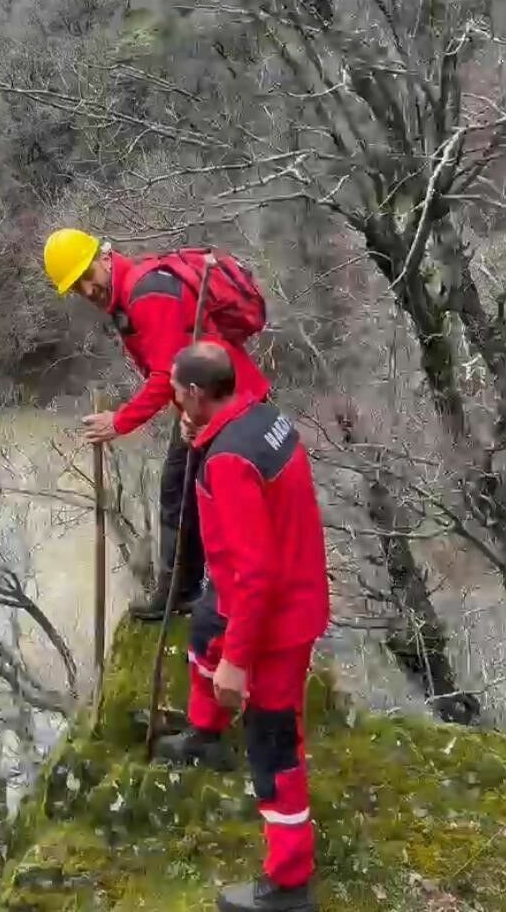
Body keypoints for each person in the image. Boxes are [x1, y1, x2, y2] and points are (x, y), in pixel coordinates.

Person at [156, 342, 329, 912]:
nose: (173, 398)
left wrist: (238, 659)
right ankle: (206, 734)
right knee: (202, 631)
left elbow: (257, 574)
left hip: (273, 619)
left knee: (274, 746)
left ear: (198, 394)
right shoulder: (262, 416)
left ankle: (289, 881)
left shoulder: (230, 462)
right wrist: (197, 436)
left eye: (179, 391)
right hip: (255, 592)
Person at [43, 229, 271, 620]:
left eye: (87, 274)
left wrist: (119, 421)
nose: (87, 289)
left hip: (229, 406)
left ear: (105, 257)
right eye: (76, 286)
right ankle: (188, 593)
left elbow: (165, 373)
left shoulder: (146, 293)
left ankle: (204, 599)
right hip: (216, 402)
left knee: (195, 496)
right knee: (187, 492)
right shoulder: (136, 289)